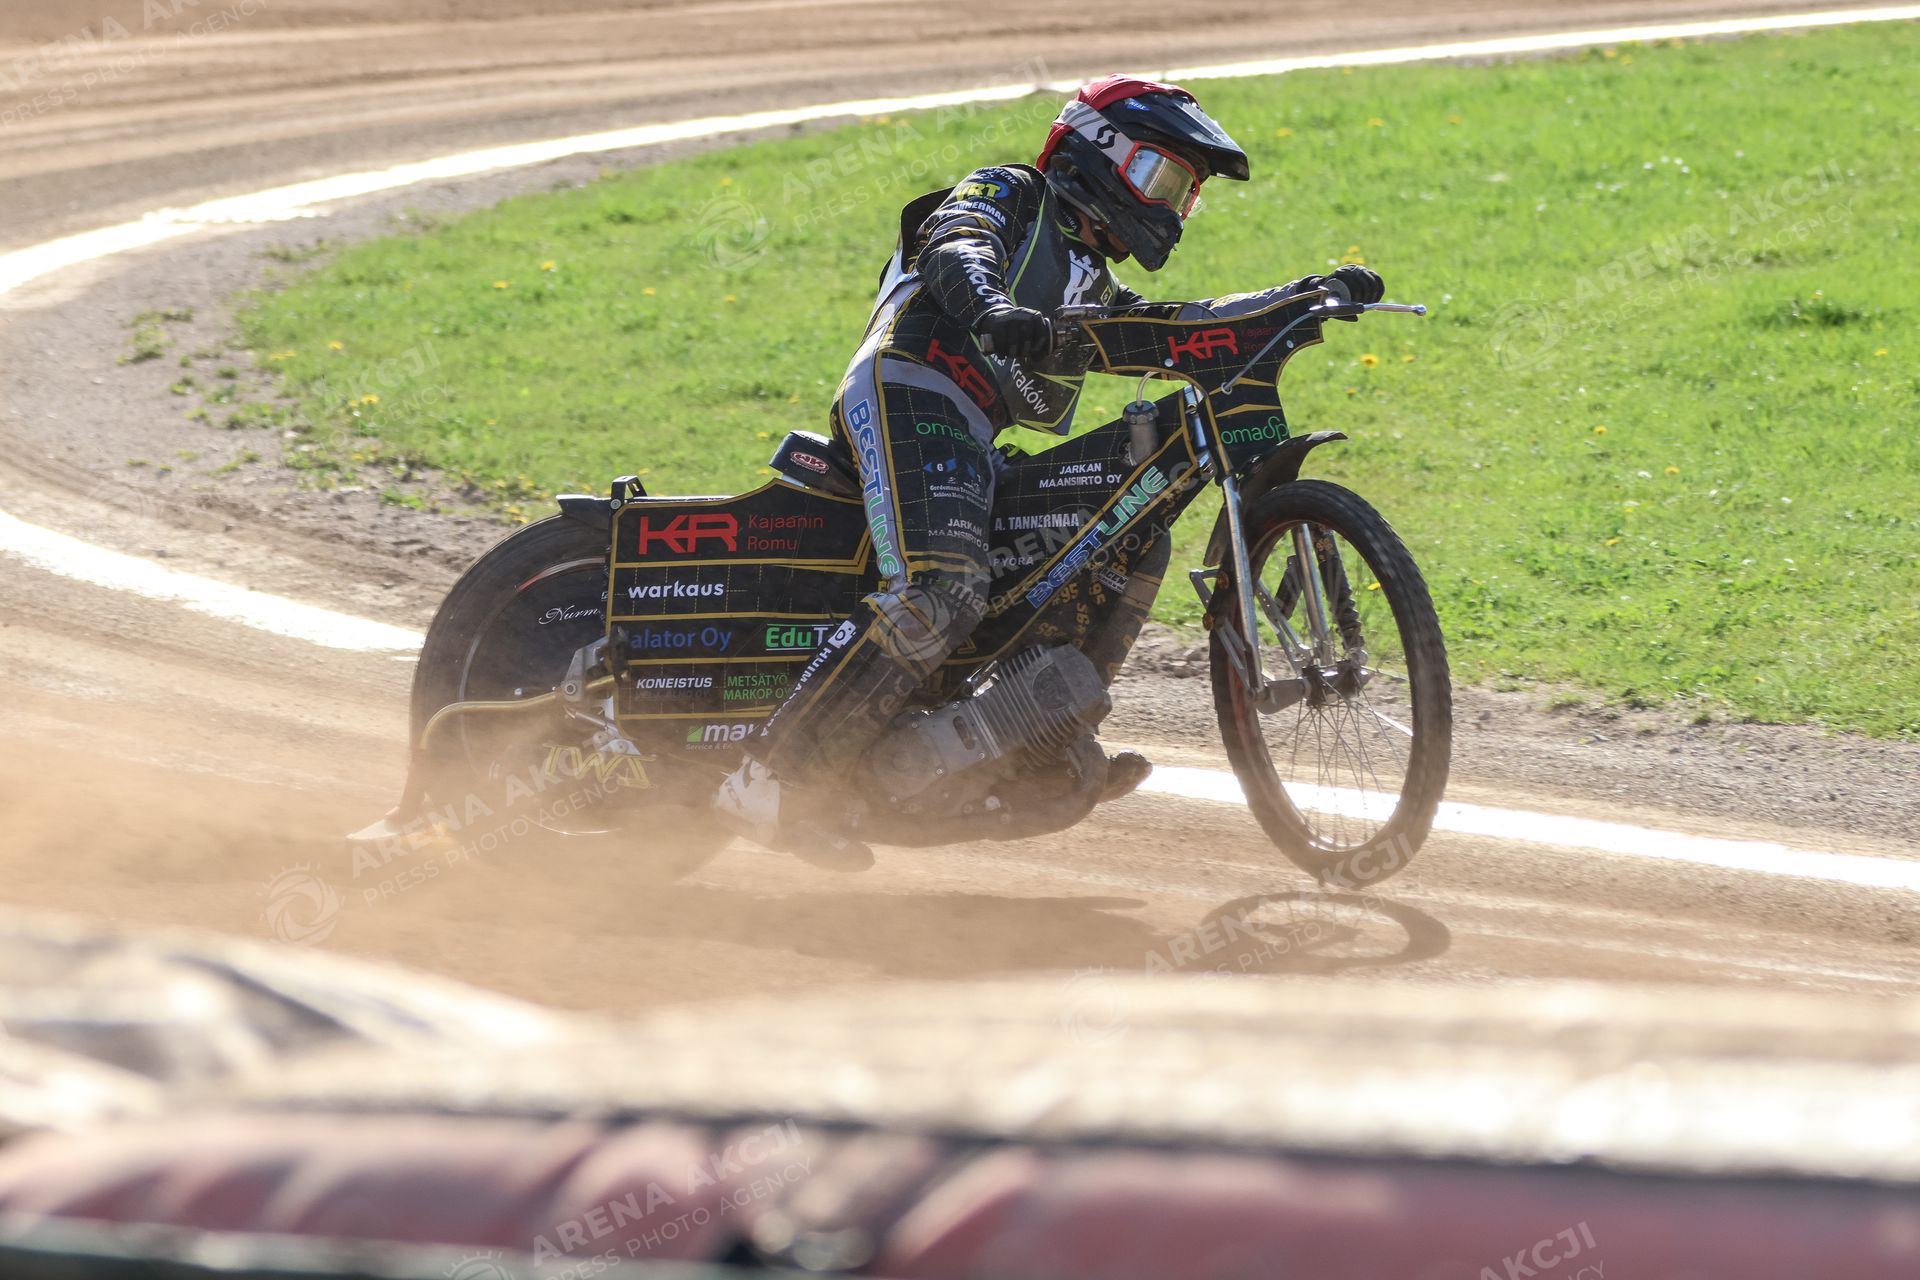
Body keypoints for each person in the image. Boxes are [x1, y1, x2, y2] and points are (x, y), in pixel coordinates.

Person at [715, 75, 1384, 866]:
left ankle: (1039, 738)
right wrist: (990, 307)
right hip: (908, 388)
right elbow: (956, 241)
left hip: (973, 438)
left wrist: (1302, 298)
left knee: (1136, 531)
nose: (1171, 206)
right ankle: (772, 777)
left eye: (1186, 193)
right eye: (1162, 178)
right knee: (941, 586)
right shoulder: (1011, 191)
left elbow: (1176, 327)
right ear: (1096, 150)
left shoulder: (1091, 278)